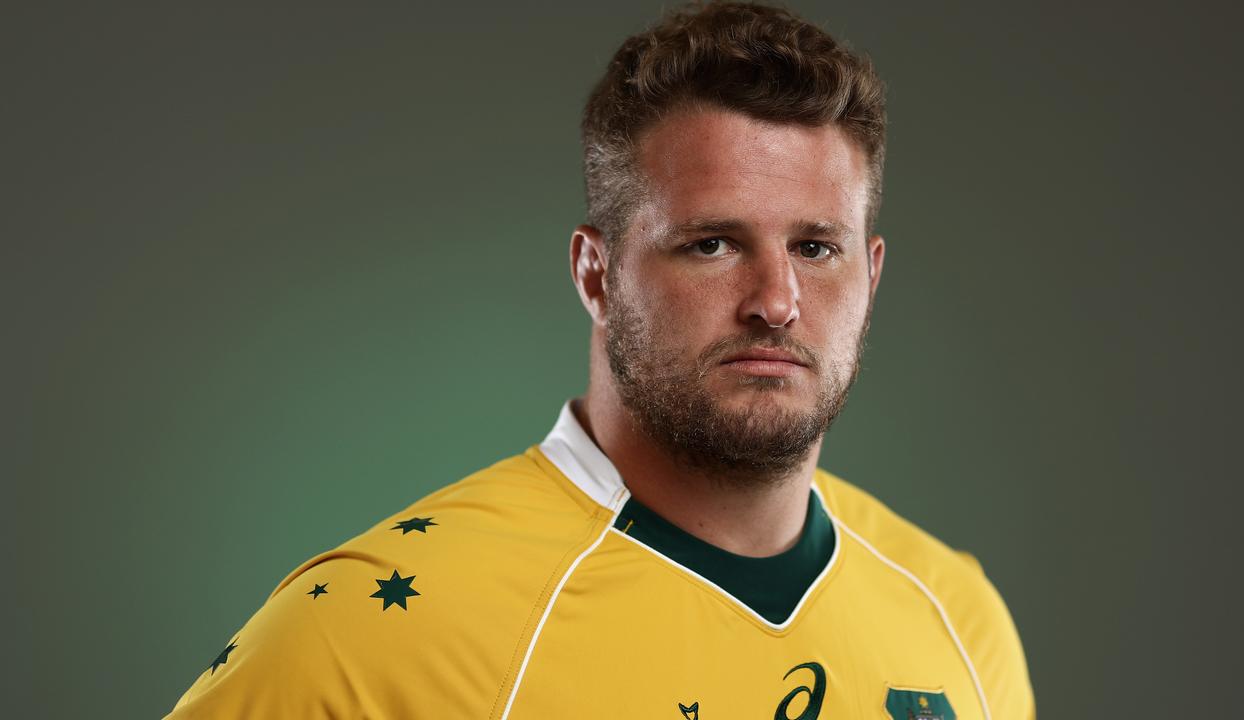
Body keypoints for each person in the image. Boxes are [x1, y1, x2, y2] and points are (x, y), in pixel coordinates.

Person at [166, 2, 1034, 718]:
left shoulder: (956, 614)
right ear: (596, 273)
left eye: (816, 248)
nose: (776, 300)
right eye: (711, 244)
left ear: (871, 276)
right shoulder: (371, 637)